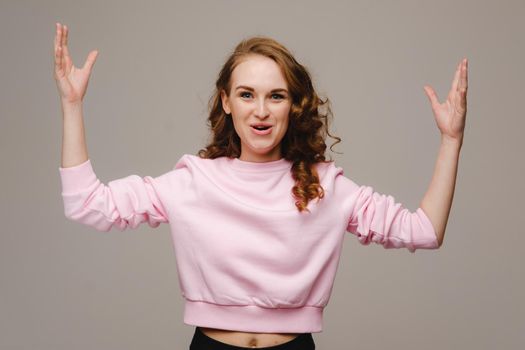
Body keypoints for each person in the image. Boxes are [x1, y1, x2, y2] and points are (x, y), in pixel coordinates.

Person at [53, 22, 468, 349]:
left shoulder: (326, 185)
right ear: (226, 101)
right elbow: (87, 204)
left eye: (277, 96)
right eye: (247, 94)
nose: (261, 111)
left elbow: (424, 231)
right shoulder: (193, 180)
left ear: (294, 105)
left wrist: (451, 140)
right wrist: (72, 106)